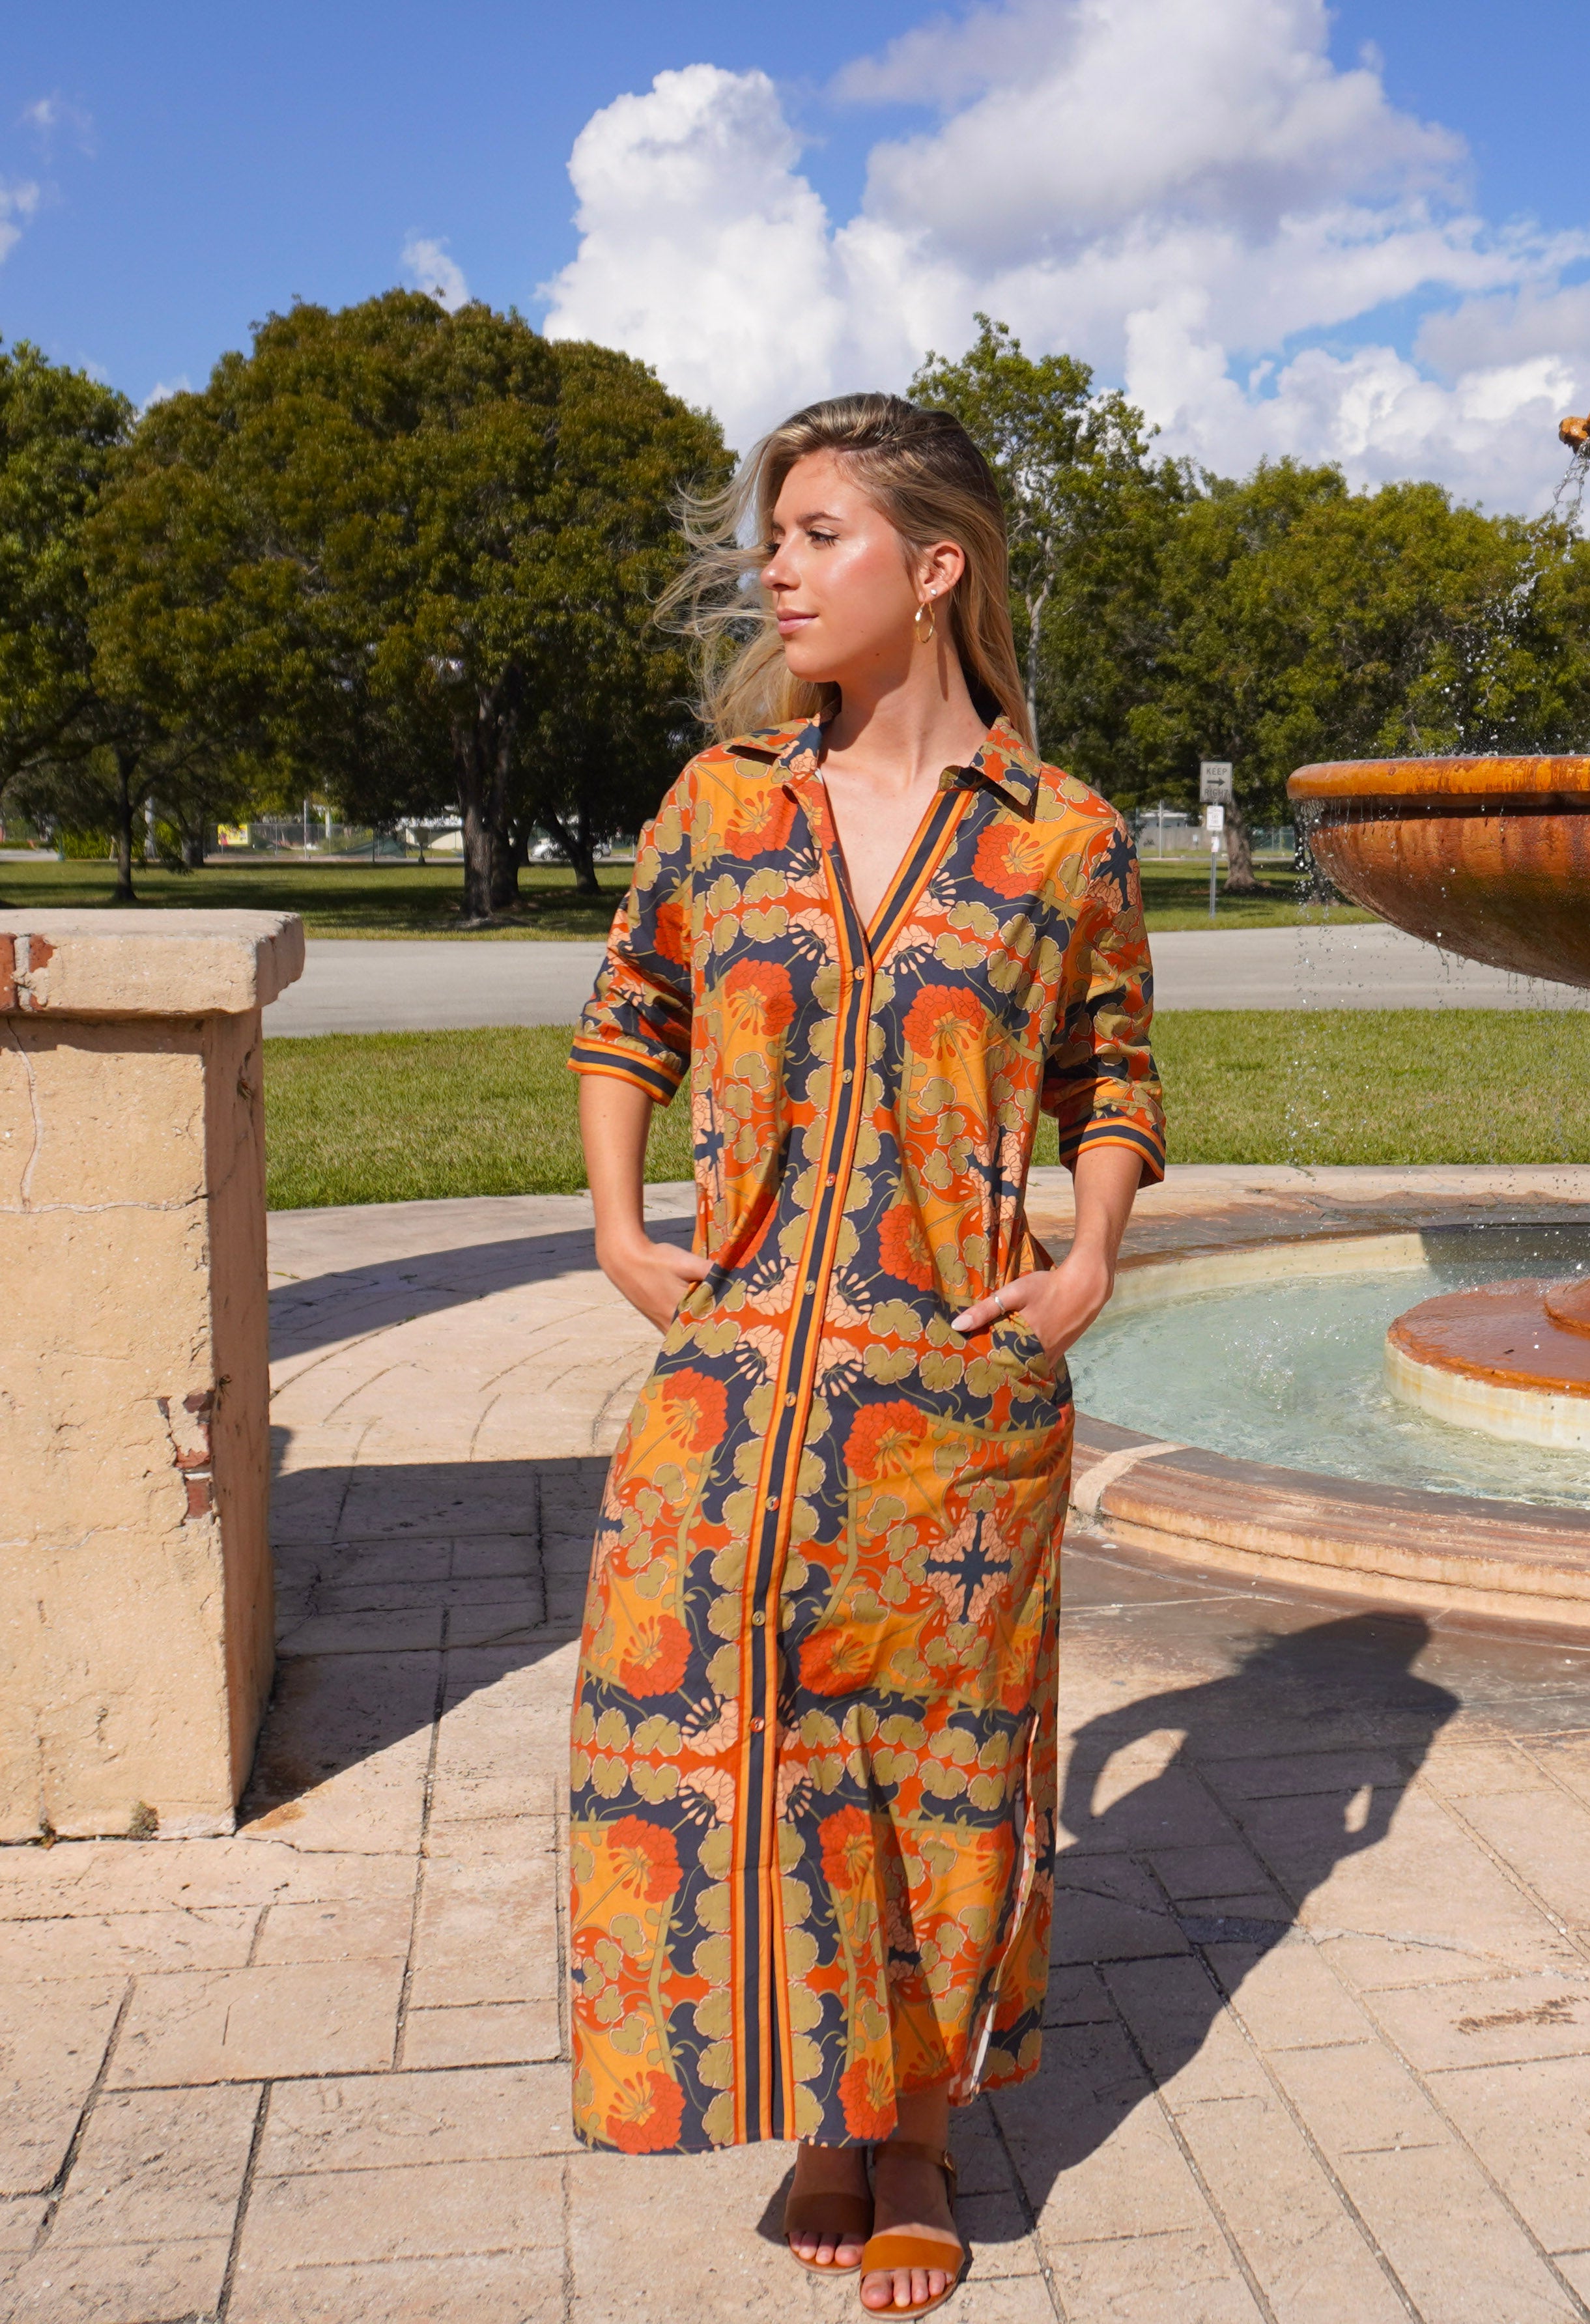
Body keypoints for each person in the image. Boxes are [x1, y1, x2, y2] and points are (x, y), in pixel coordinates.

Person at [567, 393, 1163, 2319]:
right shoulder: (721, 803)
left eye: (819, 533)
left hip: (953, 1402)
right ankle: (816, 2099)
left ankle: (905, 2134)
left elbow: (1112, 1072)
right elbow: (628, 1014)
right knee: (713, 1729)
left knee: (938, 1768)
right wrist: (620, 1230)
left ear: (934, 567)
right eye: (776, 535)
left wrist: (1088, 1257)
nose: (779, 568)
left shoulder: (1061, 836)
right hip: (735, 1378)